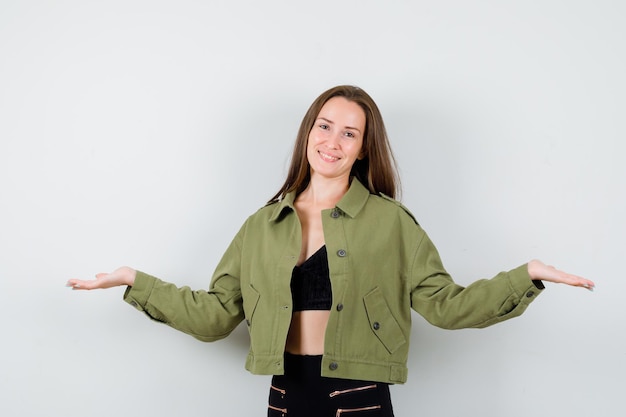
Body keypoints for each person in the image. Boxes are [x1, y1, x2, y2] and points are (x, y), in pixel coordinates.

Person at [67, 85, 595, 417]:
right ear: (308, 133)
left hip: (358, 398)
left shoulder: (390, 222)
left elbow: (446, 306)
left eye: (349, 133)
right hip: (284, 398)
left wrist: (526, 275)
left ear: (363, 147)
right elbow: (215, 317)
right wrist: (135, 281)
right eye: (325, 126)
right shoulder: (261, 226)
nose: (333, 141)